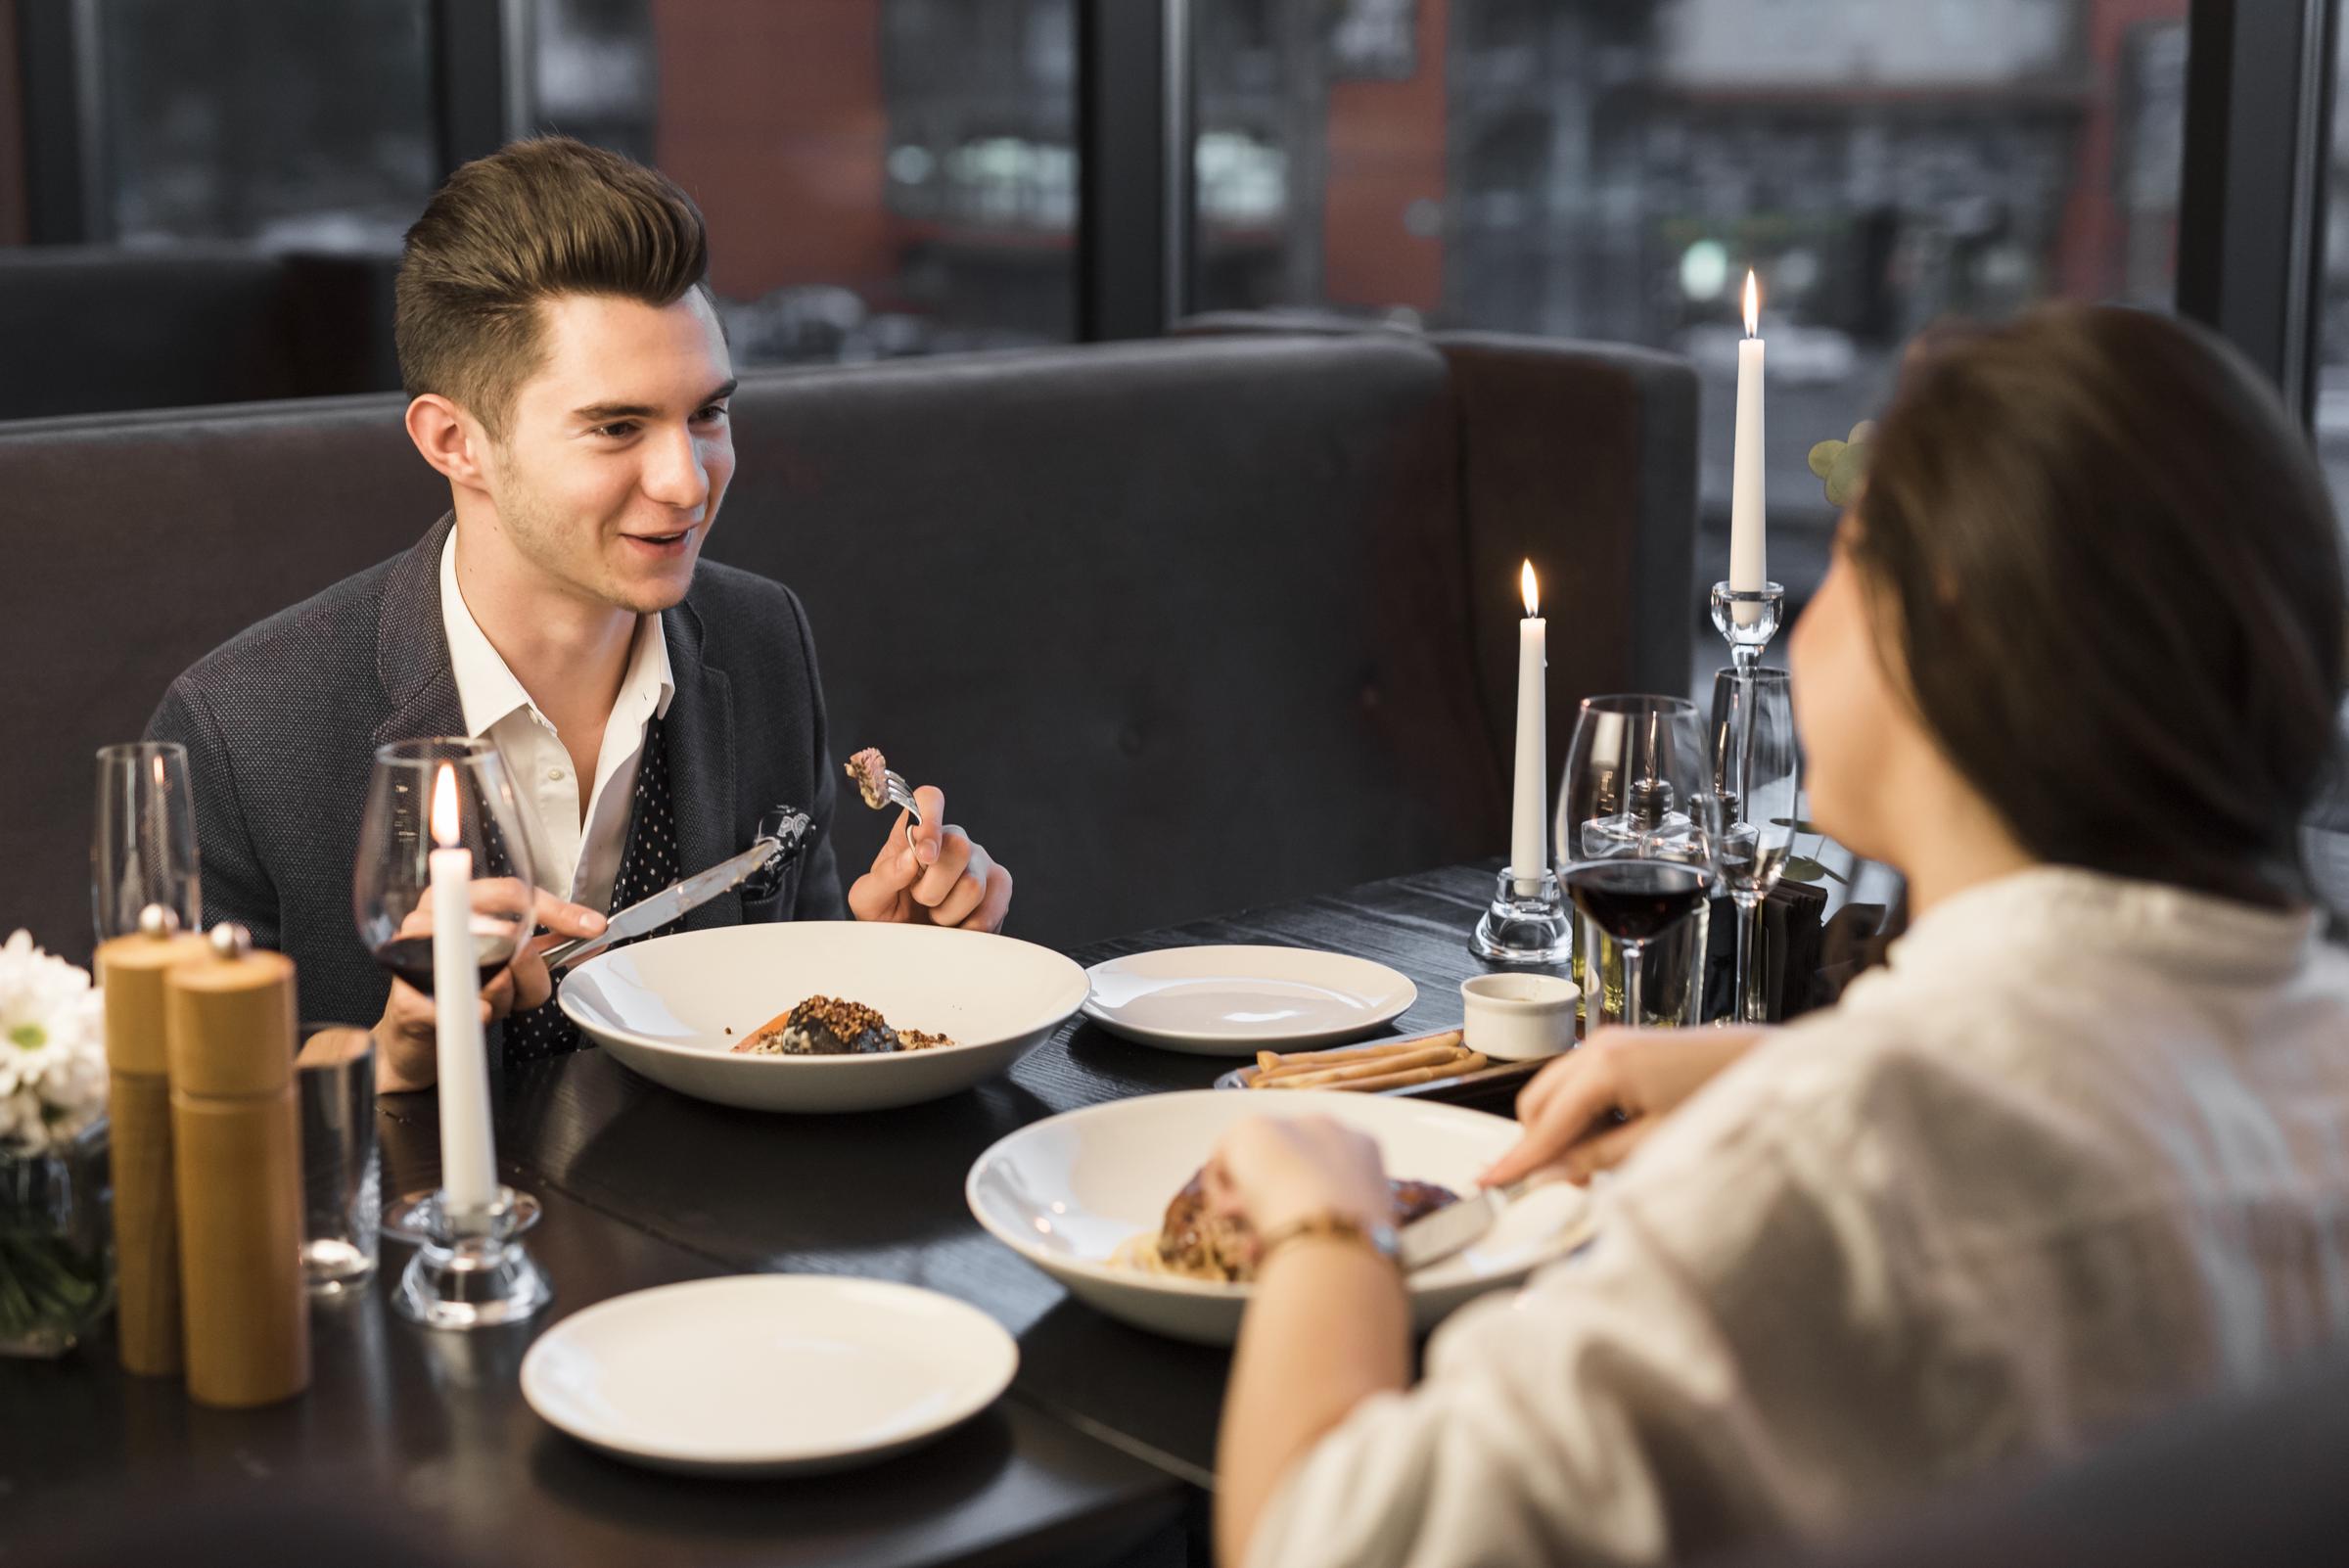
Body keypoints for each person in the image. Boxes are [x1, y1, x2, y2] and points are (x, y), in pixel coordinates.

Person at [1203, 302, 2349, 1568]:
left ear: (1946, 617)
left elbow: (1327, 1543)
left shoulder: (1835, 1167)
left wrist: (1330, 1229)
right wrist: (1791, 1064)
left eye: (1851, 554)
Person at [147, 138, 1011, 1089]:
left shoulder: (763, 640)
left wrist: (890, 967)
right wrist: (391, 1055)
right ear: (455, 442)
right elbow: (176, 1100)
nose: (688, 480)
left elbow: (779, 996)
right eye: (616, 427)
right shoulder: (239, 733)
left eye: (709, 415)